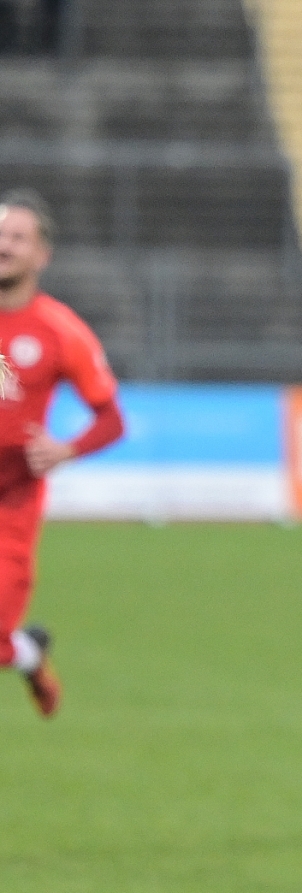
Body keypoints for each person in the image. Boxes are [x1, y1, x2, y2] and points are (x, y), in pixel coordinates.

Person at [0, 189, 124, 719]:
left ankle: (27, 654)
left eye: (16, 237)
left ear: (41, 255)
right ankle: (27, 650)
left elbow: (112, 419)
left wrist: (66, 448)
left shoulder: (59, 329)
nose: (3, 245)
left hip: (12, 503)